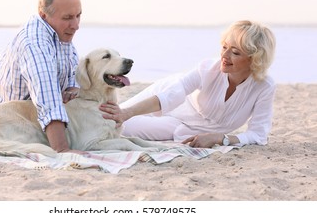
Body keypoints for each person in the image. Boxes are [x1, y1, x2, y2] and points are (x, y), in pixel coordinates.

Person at [100, 20, 276, 148]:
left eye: (235, 52)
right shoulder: (208, 68)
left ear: (254, 59)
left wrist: (220, 138)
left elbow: (258, 135)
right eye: (224, 47)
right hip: (165, 98)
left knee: (117, 127)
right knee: (108, 119)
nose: (225, 55)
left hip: (179, 127)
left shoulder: (264, 87)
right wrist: (127, 112)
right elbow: (171, 95)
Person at [0, 0, 83, 154]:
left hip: (36, 119)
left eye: (78, 16)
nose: (76, 25)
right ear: (43, 15)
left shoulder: (60, 32)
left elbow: (73, 73)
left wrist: (72, 88)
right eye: (68, 18)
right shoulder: (34, 43)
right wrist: (62, 150)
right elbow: (48, 97)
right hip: (10, 126)